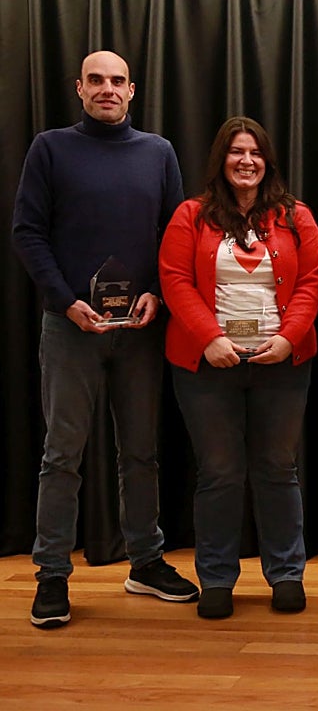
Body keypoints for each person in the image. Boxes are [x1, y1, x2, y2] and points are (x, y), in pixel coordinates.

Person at [12, 50, 199, 628]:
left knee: (140, 452)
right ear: (79, 88)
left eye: (117, 81)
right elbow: (27, 231)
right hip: (71, 329)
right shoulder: (50, 147)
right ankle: (51, 576)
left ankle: (145, 562)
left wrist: (158, 295)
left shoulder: (158, 153)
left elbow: (177, 236)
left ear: (132, 90)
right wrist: (66, 301)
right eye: (96, 80)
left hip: (140, 330)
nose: (107, 89)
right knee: (62, 455)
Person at [158, 116, 318, 620]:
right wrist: (209, 339)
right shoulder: (190, 215)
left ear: (267, 160)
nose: (246, 161)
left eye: (254, 152)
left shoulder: (296, 216)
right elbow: (174, 280)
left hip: (282, 362)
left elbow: (313, 281)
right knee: (220, 473)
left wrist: (286, 337)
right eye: (236, 152)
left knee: (277, 469)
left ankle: (286, 574)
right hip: (207, 365)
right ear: (220, 161)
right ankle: (215, 577)